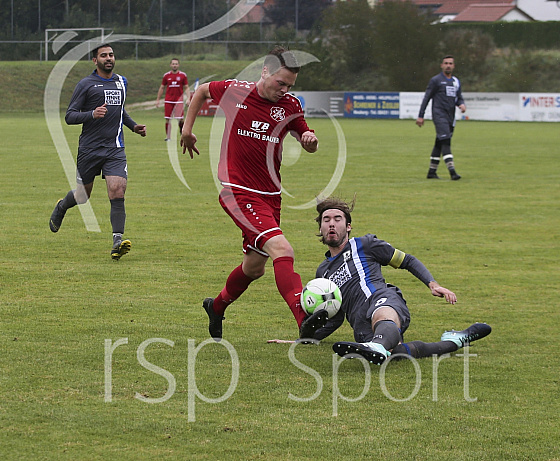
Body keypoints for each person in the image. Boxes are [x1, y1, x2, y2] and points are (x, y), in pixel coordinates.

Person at [181, 46, 322, 340]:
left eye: (289, 86)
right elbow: (202, 91)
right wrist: (187, 129)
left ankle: (216, 307)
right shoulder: (236, 91)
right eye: (279, 83)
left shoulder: (291, 105)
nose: (283, 90)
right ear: (265, 71)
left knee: (255, 268)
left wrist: (310, 140)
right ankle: (304, 317)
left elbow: (305, 137)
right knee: (283, 250)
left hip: (270, 195)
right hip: (237, 192)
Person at [306, 196, 490, 364]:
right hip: (360, 322)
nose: (332, 224)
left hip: (381, 297)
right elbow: (334, 317)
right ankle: (454, 340)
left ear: (348, 227)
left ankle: (378, 344)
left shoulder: (365, 245)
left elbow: (406, 260)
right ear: (320, 228)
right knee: (395, 353)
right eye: (326, 220)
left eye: (338, 219)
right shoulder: (323, 273)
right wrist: (307, 338)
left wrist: (432, 284)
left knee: (382, 315)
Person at [49, 43, 147, 260]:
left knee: (117, 190)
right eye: (103, 55)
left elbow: (120, 110)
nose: (108, 58)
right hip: (89, 149)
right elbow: (70, 116)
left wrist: (133, 126)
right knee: (83, 196)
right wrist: (91, 114)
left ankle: (117, 242)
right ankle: (62, 206)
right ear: (95, 60)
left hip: (115, 148)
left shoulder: (122, 82)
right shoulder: (85, 85)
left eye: (111, 54)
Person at [416, 55, 466, 180]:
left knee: (439, 143)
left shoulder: (455, 81)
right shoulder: (436, 80)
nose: (448, 65)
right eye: (446, 63)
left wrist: (461, 104)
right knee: (446, 141)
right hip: (439, 115)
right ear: (442, 65)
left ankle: (431, 172)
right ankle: (452, 171)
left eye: (450, 63)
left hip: (450, 117)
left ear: (453, 66)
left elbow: (458, 96)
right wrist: (420, 116)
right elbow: (426, 98)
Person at [156, 58, 188, 141]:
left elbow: (186, 87)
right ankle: (168, 137)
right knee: (168, 119)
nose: (174, 65)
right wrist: (158, 99)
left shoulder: (183, 75)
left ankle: (182, 135)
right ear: (170, 65)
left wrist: (188, 98)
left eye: (176, 64)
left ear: (178, 65)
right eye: (173, 64)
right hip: (168, 100)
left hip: (179, 101)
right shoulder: (166, 76)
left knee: (180, 119)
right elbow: (162, 87)